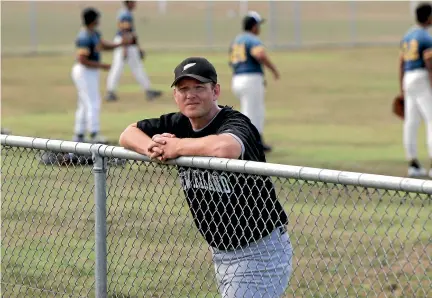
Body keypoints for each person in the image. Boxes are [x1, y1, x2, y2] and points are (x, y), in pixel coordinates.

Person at [119, 57, 292, 297]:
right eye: (183, 89)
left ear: (216, 91)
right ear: (175, 96)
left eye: (199, 87)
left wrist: (176, 147)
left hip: (258, 249)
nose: (191, 95)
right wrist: (153, 147)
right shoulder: (178, 123)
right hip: (221, 249)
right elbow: (128, 133)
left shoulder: (234, 121)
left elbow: (226, 149)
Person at [72, 7, 132, 143]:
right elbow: (82, 59)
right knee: (93, 101)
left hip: (89, 72)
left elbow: (103, 45)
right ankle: (94, 134)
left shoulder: (93, 33)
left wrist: (119, 44)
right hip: (84, 71)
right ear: (93, 20)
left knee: (83, 102)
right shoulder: (84, 37)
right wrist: (102, 65)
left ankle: (79, 134)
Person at [228, 11, 280, 152]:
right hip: (250, 78)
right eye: (258, 25)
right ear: (254, 26)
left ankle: (256, 142)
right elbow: (260, 54)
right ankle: (252, 144)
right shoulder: (252, 39)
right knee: (253, 113)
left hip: (237, 78)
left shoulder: (237, 40)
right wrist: (273, 69)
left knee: (252, 111)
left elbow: (231, 61)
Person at [105, 1, 162, 102]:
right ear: (128, 3)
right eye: (133, 2)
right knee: (119, 67)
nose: (135, 4)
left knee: (133, 67)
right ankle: (110, 92)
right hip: (125, 44)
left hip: (128, 44)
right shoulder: (125, 14)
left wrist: (137, 47)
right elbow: (125, 32)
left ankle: (148, 90)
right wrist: (125, 49)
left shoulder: (124, 12)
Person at [399, 2, 432, 177]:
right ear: (428, 17)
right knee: (431, 120)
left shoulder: (408, 36)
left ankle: (413, 163)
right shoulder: (426, 38)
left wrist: (401, 89)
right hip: (421, 77)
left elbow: (401, 62)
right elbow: (429, 62)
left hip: (408, 77)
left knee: (411, 122)